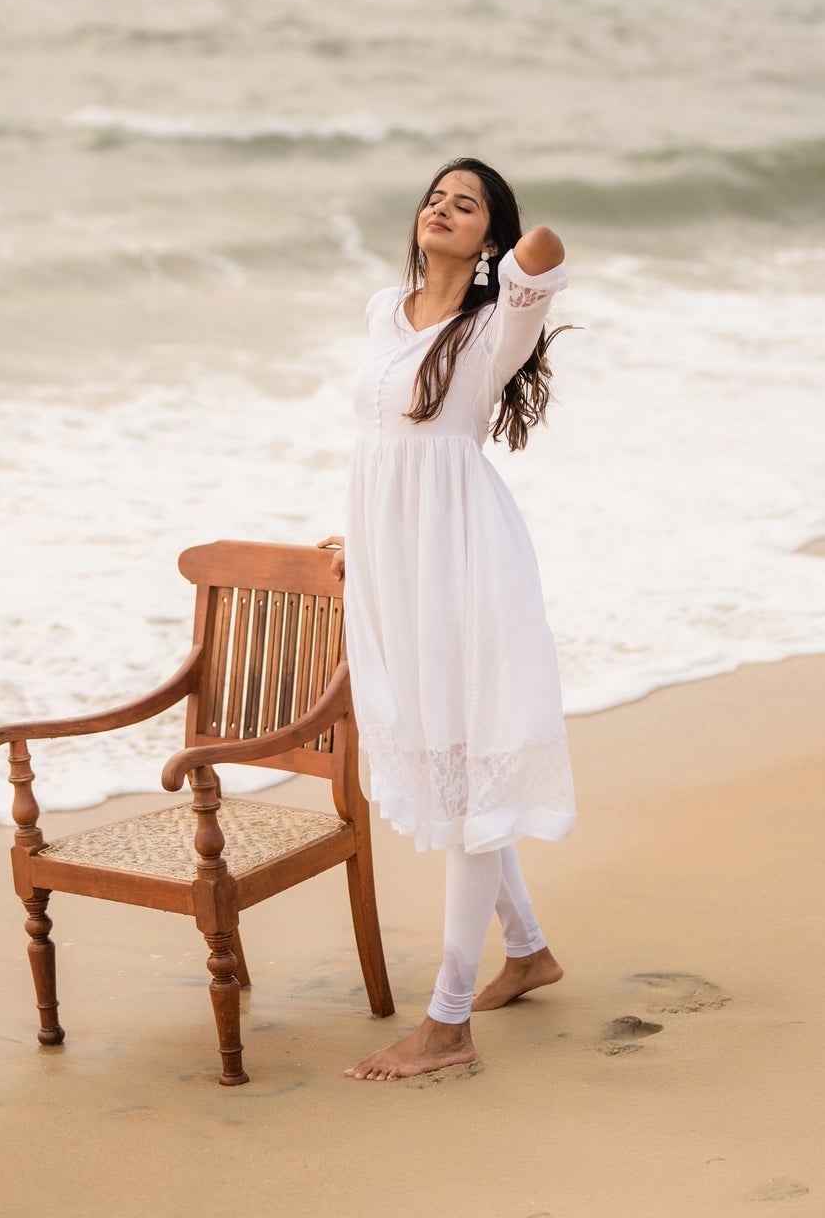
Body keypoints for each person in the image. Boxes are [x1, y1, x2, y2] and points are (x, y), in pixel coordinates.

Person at [316, 156, 577, 1081]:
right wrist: (358, 537)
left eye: (463, 205)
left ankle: (449, 1019)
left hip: (465, 567)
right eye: (433, 196)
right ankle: (530, 952)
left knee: (469, 779)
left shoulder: (494, 326)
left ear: (486, 239)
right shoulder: (382, 312)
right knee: (453, 769)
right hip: (396, 567)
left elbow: (545, 250)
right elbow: (381, 442)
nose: (440, 209)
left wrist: (511, 268)